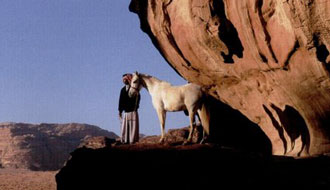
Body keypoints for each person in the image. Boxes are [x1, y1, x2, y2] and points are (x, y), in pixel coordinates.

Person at [118, 73, 141, 144]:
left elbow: (138, 98)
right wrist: (120, 111)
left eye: (125, 79)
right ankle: (125, 141)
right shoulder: (122, 90)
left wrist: (135, 107)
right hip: (126, 112)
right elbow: (120, 101)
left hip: (133, 111)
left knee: (133, 128)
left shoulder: (134, 89)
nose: (124, 80)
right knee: (125, 128)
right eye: (123, 79)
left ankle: (132, 141)